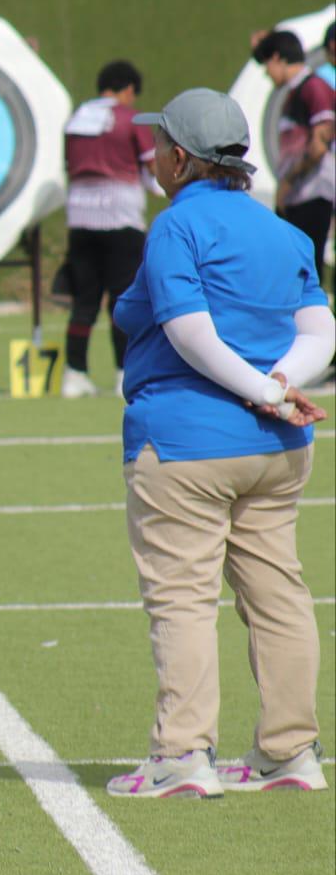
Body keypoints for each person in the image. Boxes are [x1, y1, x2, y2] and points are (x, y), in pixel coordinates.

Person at [105, 88, 333, 800]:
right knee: (278, 594)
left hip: (186, 443)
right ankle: (291, 750)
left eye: (159, 146)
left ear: (180, 158)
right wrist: (276, 384)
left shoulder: (176, 227)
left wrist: (262, 388)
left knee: (183, 597)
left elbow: (189, 331)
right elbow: (321, 333)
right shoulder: (282, 229)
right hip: (278, 447)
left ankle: (182, 755)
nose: (152, 157)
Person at [58, 60, 158, 399]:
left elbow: (69, 166)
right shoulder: (130, 119)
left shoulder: (76, 119)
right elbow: (152, 170)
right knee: (123, 298)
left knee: (84, 299)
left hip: (80, 217)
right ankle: (124, 373)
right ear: (128, 89)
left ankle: (74, 373)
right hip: (121, 216)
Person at [253, 30, 334, 289]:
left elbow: (320, 144)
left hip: (312, 194)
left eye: (267, 64)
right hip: (296, 197)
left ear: (278, 58)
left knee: (307, 276)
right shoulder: (293, 93)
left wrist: (288, 181)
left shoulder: (313, 87)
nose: (267, 73)